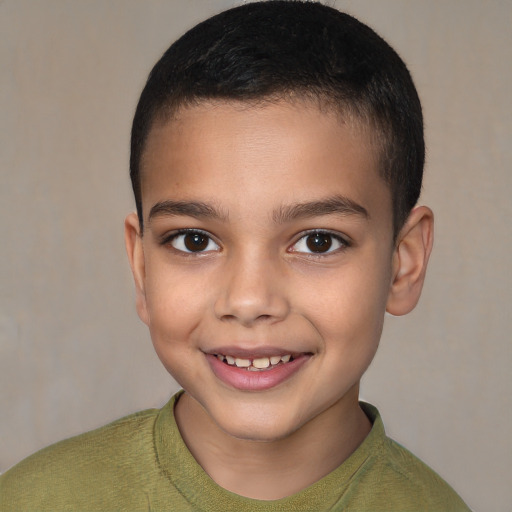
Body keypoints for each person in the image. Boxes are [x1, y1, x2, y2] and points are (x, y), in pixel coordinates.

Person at [0, 2, 470, 510]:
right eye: (194, 241)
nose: (248, 301)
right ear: (141, 268)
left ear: (404, 263)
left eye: (317, 241)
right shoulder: (33, 499)